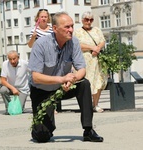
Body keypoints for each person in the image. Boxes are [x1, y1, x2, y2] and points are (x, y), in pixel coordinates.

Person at [28, 11, 104, 143]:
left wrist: (72, 79)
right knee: (43, 135)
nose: (71, 30)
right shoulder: (41, 44)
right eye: (67, 27)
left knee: (84, 84)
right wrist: (62, 79)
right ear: (55, 28)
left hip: (63, 87)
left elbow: (81, 69)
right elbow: (36, 77)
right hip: (42, 91)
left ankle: (88, 130)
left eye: (72, 26)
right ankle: (43, 127)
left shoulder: (74, 42)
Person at [74, 11, 108, 113]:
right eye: (86, 19)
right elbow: (77, 45)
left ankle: (95, 104)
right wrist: (91, 47)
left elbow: (102, 41)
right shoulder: (77, 32)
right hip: (86, 61)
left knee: (99, 81)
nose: (89, 22)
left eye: (91, 20)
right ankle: (87, 105)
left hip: (98, 60)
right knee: (88, 82)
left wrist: (97, 48)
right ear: (82, 20)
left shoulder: (97, 30)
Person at [0, 50, 30, 115]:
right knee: (3, 90)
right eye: (10, 59)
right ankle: (8, 108)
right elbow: (2, 80)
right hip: (10, 88)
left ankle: (21, 107)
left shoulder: (24, 64)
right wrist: (13, 88)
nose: (12, 61)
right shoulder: (5, 64)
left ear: (18, 57)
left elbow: (34, 72)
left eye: (14, 59)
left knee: (18, 110)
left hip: (22, 90)